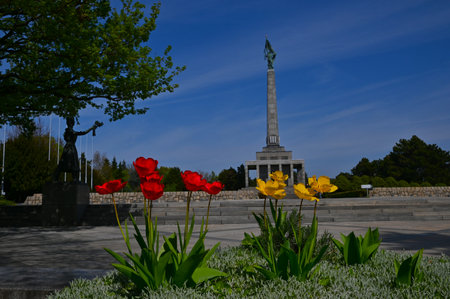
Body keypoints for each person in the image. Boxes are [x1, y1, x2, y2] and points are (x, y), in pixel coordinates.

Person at [53, 117, 103, 182]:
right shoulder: (69, 131)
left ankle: (73, 178)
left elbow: (81, 133)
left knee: (70, 163)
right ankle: (58, 178)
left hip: (70, 148)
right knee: (70, 163)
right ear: (70, 123)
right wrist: (91, 128)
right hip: (69, 148)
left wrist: (92, 128)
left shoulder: (69, 131)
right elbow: (82, 133)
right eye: (71, 122)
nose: (72, 124)